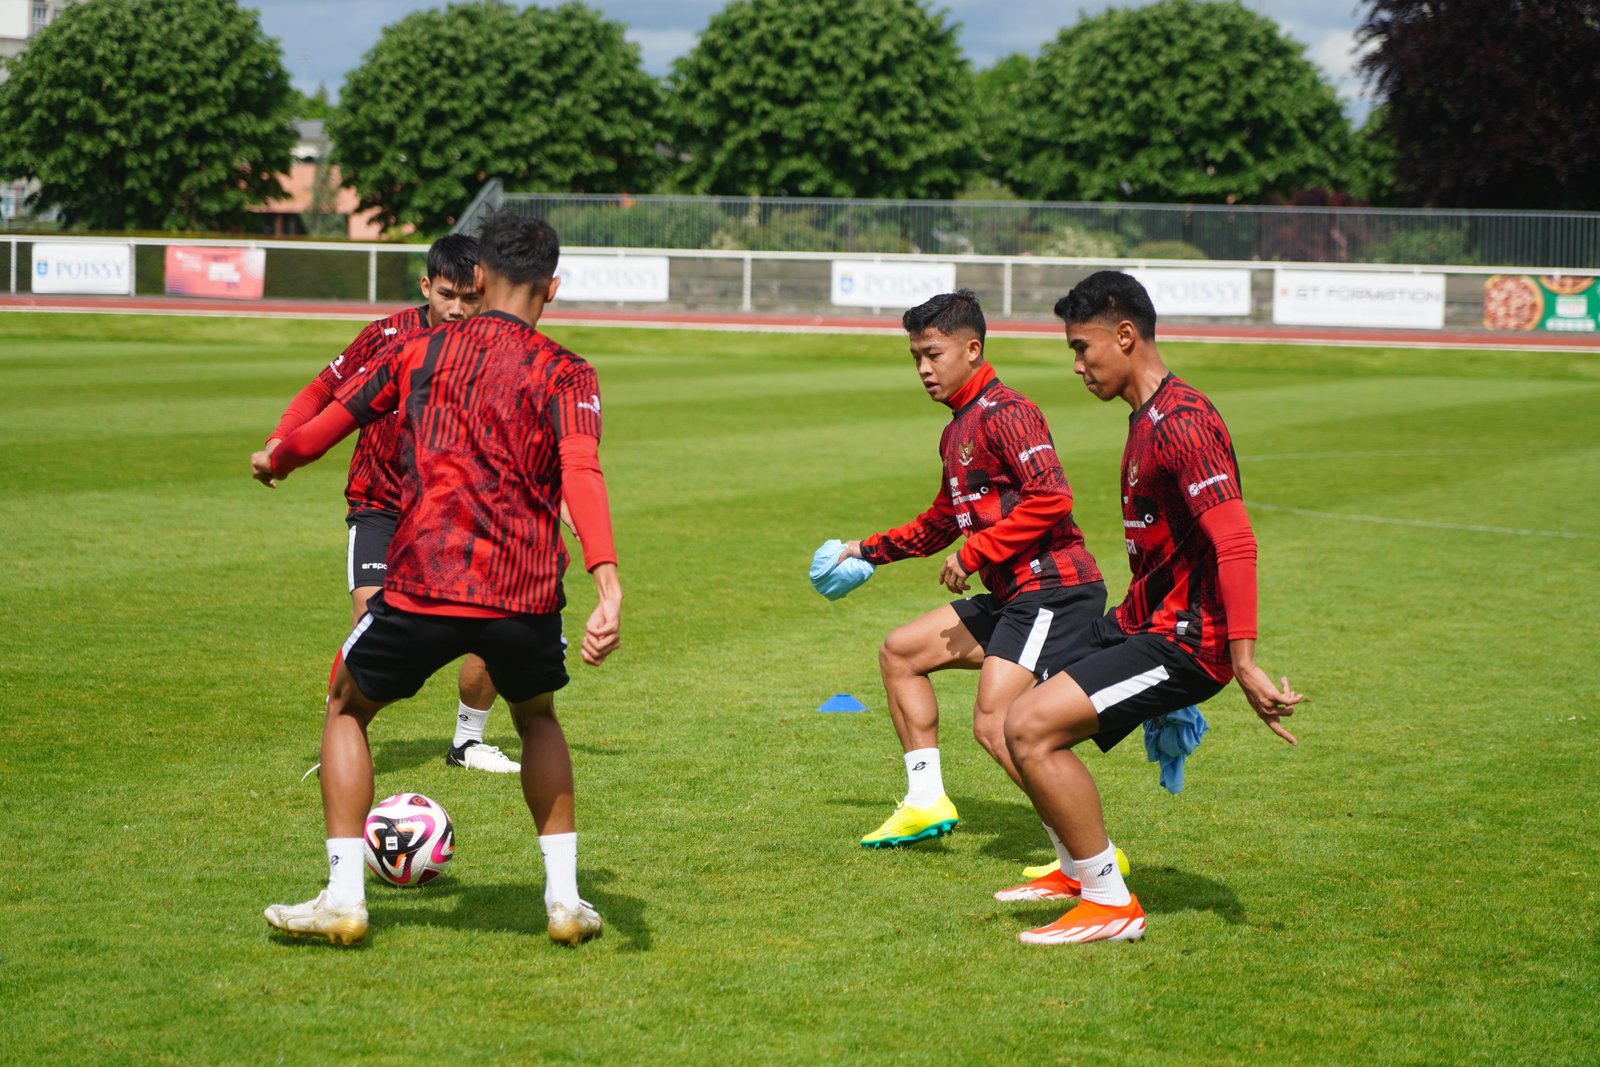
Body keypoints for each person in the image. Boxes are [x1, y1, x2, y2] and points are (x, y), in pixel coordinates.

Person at [252, 210, 622, 947]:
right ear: (553, 285)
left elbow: (331, 423)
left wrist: (280, 458)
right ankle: (563, 901)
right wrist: (608, 583)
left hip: (423, 582)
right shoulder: (568, 371)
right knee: (538, 717)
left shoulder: (415, 350)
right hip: (522, 593)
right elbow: (582, 471)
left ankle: (344, 896)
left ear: (476, 277)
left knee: (347, 707)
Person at [998, 271, 1303, 945]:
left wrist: (1244, 661)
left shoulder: (1183, 422)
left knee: (1029, 727)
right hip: (1147, 622)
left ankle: (1109, 901)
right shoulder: (1148, 419)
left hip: (1190, 642)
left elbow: (1237, 541)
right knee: (1011, 710)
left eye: (1083, 348)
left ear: (1126, 335)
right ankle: (1079, 870)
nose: (1077, 365)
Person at [837, 290, 1114, 878]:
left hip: (1054, 591)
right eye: (915, 357)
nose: (922, 369)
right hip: (1017, 595)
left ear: (972, 349)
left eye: (932, 354)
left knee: (996, 723)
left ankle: (1088, 860)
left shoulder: (1007, 412)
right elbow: (943, 519)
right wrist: (866, 551)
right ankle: (924, 800)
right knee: (900, 653)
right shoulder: (958, 428)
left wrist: (977, 552)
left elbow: (1052, 496)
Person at [264, 234, 520, 775]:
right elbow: (320, 391)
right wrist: (279, 439)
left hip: (454, 511)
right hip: (380, 503)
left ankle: (467, 743)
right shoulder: (385, 337)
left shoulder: (494, 349)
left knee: (492, 619)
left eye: (470, 298)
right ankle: (342, 736)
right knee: (372, 623)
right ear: (426, 286)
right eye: (447, 294)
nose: (457, 309)